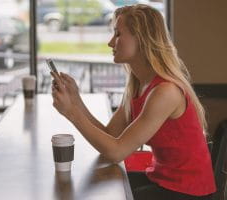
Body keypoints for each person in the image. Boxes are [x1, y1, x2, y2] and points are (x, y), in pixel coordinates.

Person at [50, 4, 216, 200]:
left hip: (188, 192)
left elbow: (116, 152)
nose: (111, 43)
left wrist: (72, 113)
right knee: (99, 184)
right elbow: (111, 135)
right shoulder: (138, 84)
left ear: (142, 39)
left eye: (118, 34)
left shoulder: (165, 92)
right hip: (161, 179)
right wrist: (76, 101)